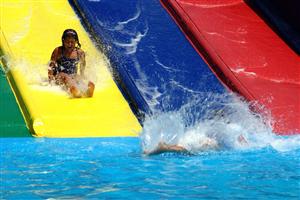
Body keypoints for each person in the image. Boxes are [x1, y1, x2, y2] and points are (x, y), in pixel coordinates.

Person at [48, 29, 95, 98]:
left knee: (77, 77)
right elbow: (51, 66)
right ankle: (74, 91)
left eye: (72, 42)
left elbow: (82, 65)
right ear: (63, 41)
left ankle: (86, 90)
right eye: (67, 42)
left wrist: (82, 75)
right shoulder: (58, 51)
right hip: (59, 75)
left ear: (76, 41)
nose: (70, 44)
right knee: (66, 77)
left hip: (72, 75)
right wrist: (51, 79)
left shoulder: (79, 52)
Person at [144, 134, 248, 155]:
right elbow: (243, 142)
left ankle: (165, 146)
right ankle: (165, 148)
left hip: (196, 135)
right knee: (191, 152)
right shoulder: (232, 131)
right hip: (205, 141)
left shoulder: (227, 130)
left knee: (186, 146)